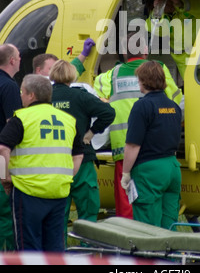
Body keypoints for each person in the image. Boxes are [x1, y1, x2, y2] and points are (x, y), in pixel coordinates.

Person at [94, 32, 182, 219]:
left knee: (128, 205)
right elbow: (177, 98)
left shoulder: (111, 75)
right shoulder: (160, 69)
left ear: (124, 51)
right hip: (160, 151)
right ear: (145, 50)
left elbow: (97, 100)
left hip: (124, 149)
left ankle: (130, 245)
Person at [0, 74, 84, 252]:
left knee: (28, 247)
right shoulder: (68, 120)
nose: (20, 95)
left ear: (31, 95)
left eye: (22, 92)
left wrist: (4, 177)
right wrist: (66, 177)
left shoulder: (21, 118)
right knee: (54, 246)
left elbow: (2, 149)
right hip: (58, 191)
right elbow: (78, 156)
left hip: (27, 191)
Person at [49, 60, 115, 244]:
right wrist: (91, 132)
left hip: (53, 162)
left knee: (57, 213)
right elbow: (108, 112)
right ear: (72, 75)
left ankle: (56, 253)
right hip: (83, 161)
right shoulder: (81, 96)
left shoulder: (45, 96)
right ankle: (86, 250)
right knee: (88, 211)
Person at [121, 61, 182, 229]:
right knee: (169, 224)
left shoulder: (142, 106)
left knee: (147, 227)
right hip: (172, 168)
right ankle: (170, 256)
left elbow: (133, 145)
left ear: (144, 81)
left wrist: (125, 173)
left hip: (150, 171)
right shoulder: (174, 107)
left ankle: (150, 256)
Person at [146, 0, 200, 78]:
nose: (165, 4)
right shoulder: (163, 18)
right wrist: (156, 11)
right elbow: (155, 30)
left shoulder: (189, 7)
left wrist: (181, 3)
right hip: (184, 62)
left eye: (166, 0)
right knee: (193, 87)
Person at [0, 43, 22, 251]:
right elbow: (12, 126)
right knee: (5, 212)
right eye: (18, 56)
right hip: (2, 155)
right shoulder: (9, 86)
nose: (21, 58)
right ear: (12, 60)